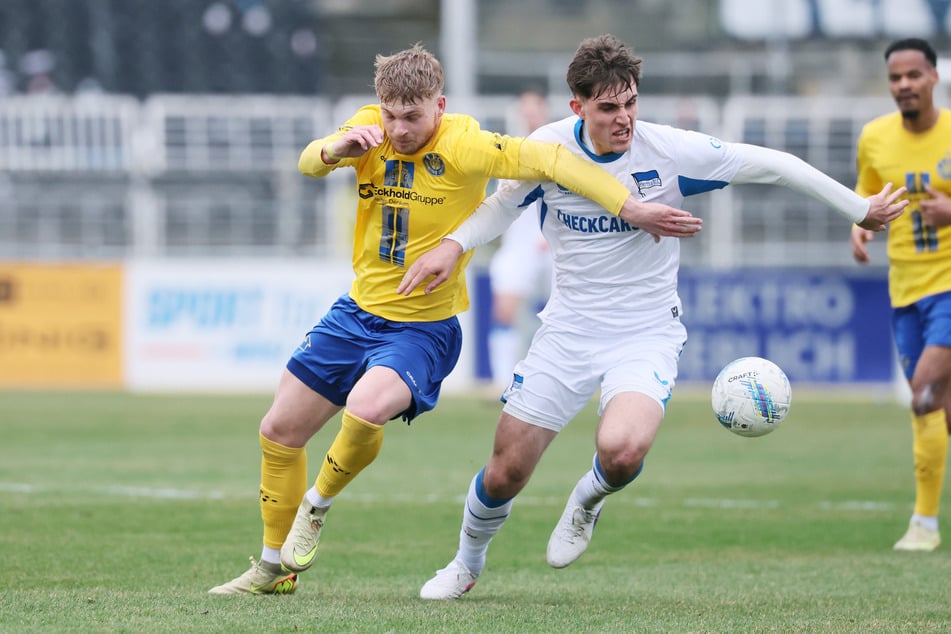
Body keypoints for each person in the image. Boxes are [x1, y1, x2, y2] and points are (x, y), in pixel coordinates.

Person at [397, 34, 908, 599]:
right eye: (608, 107)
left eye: (631, 102)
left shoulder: (668, 151)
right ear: (578, 107)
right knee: (506, 471)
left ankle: (587, 501)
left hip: (646, 332)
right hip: (567, 331)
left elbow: (777, 164)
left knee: (621, 451)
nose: (624, 118)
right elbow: (501, 206)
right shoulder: (548, 148)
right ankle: (466, 563)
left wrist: (860, 209)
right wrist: (454, 245)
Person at [208, 42, 698, 595]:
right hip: (355, 312)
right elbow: (308, 164)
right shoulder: (367, 127)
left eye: (412, 117)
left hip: (422, 328)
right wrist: (331, 149)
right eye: (390, 115)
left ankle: (316, 507)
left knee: (366, 408)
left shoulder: (465, 143)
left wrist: (628, 206)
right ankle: (272, 571)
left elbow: (554, 161)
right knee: (278, 431)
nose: (398, 129)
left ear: (439, 107)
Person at [851, 37, 951, 552]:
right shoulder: (875, 137)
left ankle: (924, 524)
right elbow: (867, 193)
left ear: (934, 76)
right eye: (896, 77)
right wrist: (859, 224)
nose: (904, 85)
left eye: (914, 75)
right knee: (938, 408)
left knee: (924, 394)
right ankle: (927, 524)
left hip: (949, 285)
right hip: (905, 289)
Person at [488, 90, 554, 391]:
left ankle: (570, 380)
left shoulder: (559, 148)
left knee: (570, 313)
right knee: (504, 310)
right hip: (519, 246)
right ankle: (503, 383)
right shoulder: (506, 150)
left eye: (534, 109)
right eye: (524, 109)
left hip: (556, 246)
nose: (529, 115)